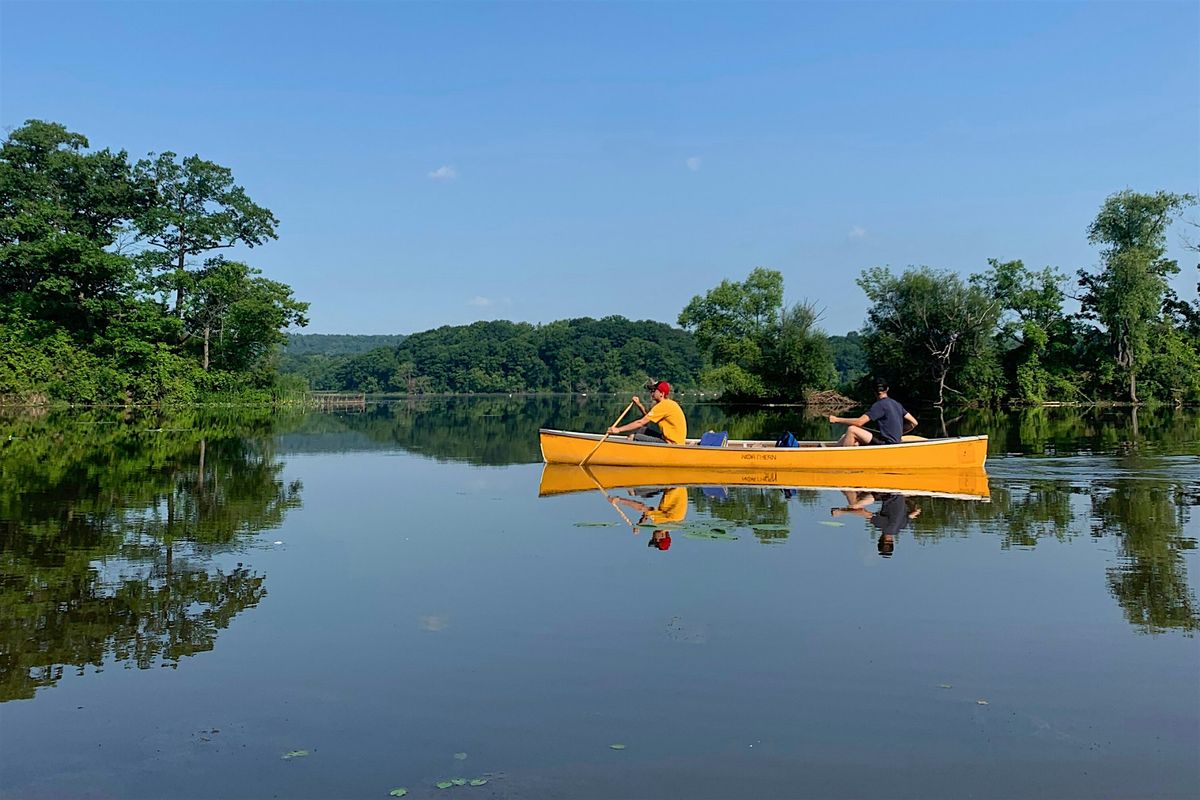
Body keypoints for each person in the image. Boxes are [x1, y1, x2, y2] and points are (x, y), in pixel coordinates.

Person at [827, 379, 917, 446]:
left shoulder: (879, 405)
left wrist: (837, 419)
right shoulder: (897, 404)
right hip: (892, 441)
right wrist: (898, 433)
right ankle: (832, 452)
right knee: (845, 436)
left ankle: (842, 458)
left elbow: (859, 422)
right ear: (887, 389)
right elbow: (914, 423)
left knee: (852, 430)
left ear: (873, 391)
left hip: (886, 443)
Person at [830, 491, 921, 557]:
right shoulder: (884, 527)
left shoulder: (902, 526)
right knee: (854, 505)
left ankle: (845, 488)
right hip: (889, 494)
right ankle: (845, 484)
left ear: (892, 542)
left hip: (899, 495)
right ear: (879, 540)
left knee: (861, 498)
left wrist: (911, 504)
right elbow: (863, 512)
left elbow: (913, 514)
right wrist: (843, 511)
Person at [609, 485, 687, 551]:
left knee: (644, 495)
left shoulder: (670, 525)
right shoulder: (664, 523)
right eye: (654, 539)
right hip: (673, 486)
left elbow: (647, 514)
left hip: (674, 488)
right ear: (662, 536)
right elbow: (642, 507)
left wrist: (639, 524)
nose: (652, 537)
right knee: (632, 491)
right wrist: (619, 500)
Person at [608, 381, 687, 444]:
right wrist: (639, 405)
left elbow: (641, 422)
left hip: (672, 443)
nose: (651, 393)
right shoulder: (666, 404)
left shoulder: (663, 405)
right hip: (667, 439)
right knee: (642, 430)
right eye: (651, 390)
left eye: (654, 390)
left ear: (661, 394)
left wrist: (618, 429)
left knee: (633, 437)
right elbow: (647, 417)